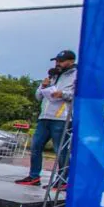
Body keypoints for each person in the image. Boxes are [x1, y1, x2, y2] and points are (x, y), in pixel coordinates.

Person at [16, 50, 77, 188]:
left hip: (61, 118)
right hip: (44, 116)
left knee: (60, 150)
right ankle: (34, 176)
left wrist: (62, 94)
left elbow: (77, 95)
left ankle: (62, 180)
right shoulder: (52, 75)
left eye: (61, 61)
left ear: (71, 61)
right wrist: (43, 86)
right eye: (57, 61)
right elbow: (38, 96)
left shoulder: (76, 75)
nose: (58, 64)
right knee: (36, 146)